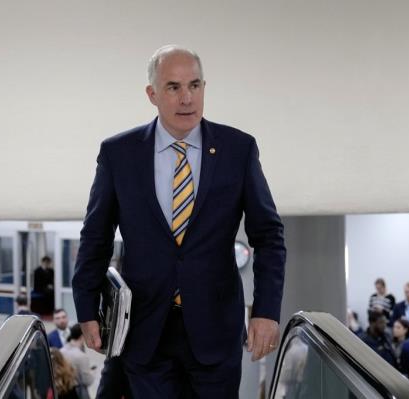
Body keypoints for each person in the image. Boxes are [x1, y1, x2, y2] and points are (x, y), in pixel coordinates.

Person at [72, 45, 286, 398]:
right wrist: (86, 307)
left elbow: (269, 236)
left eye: (195, 85)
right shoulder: (119, 154)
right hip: (145, 332)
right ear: (152, 94)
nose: (187, 98)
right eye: (173, 87)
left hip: (216, 332)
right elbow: (96, 236)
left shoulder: (238, 149)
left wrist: (266, 311)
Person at [60, 324, 96, 399]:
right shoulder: (81, 356)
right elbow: (87, 381)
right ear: (82, 336)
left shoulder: (61, 351)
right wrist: (92, 372)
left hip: (62, 393)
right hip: (77, 394)